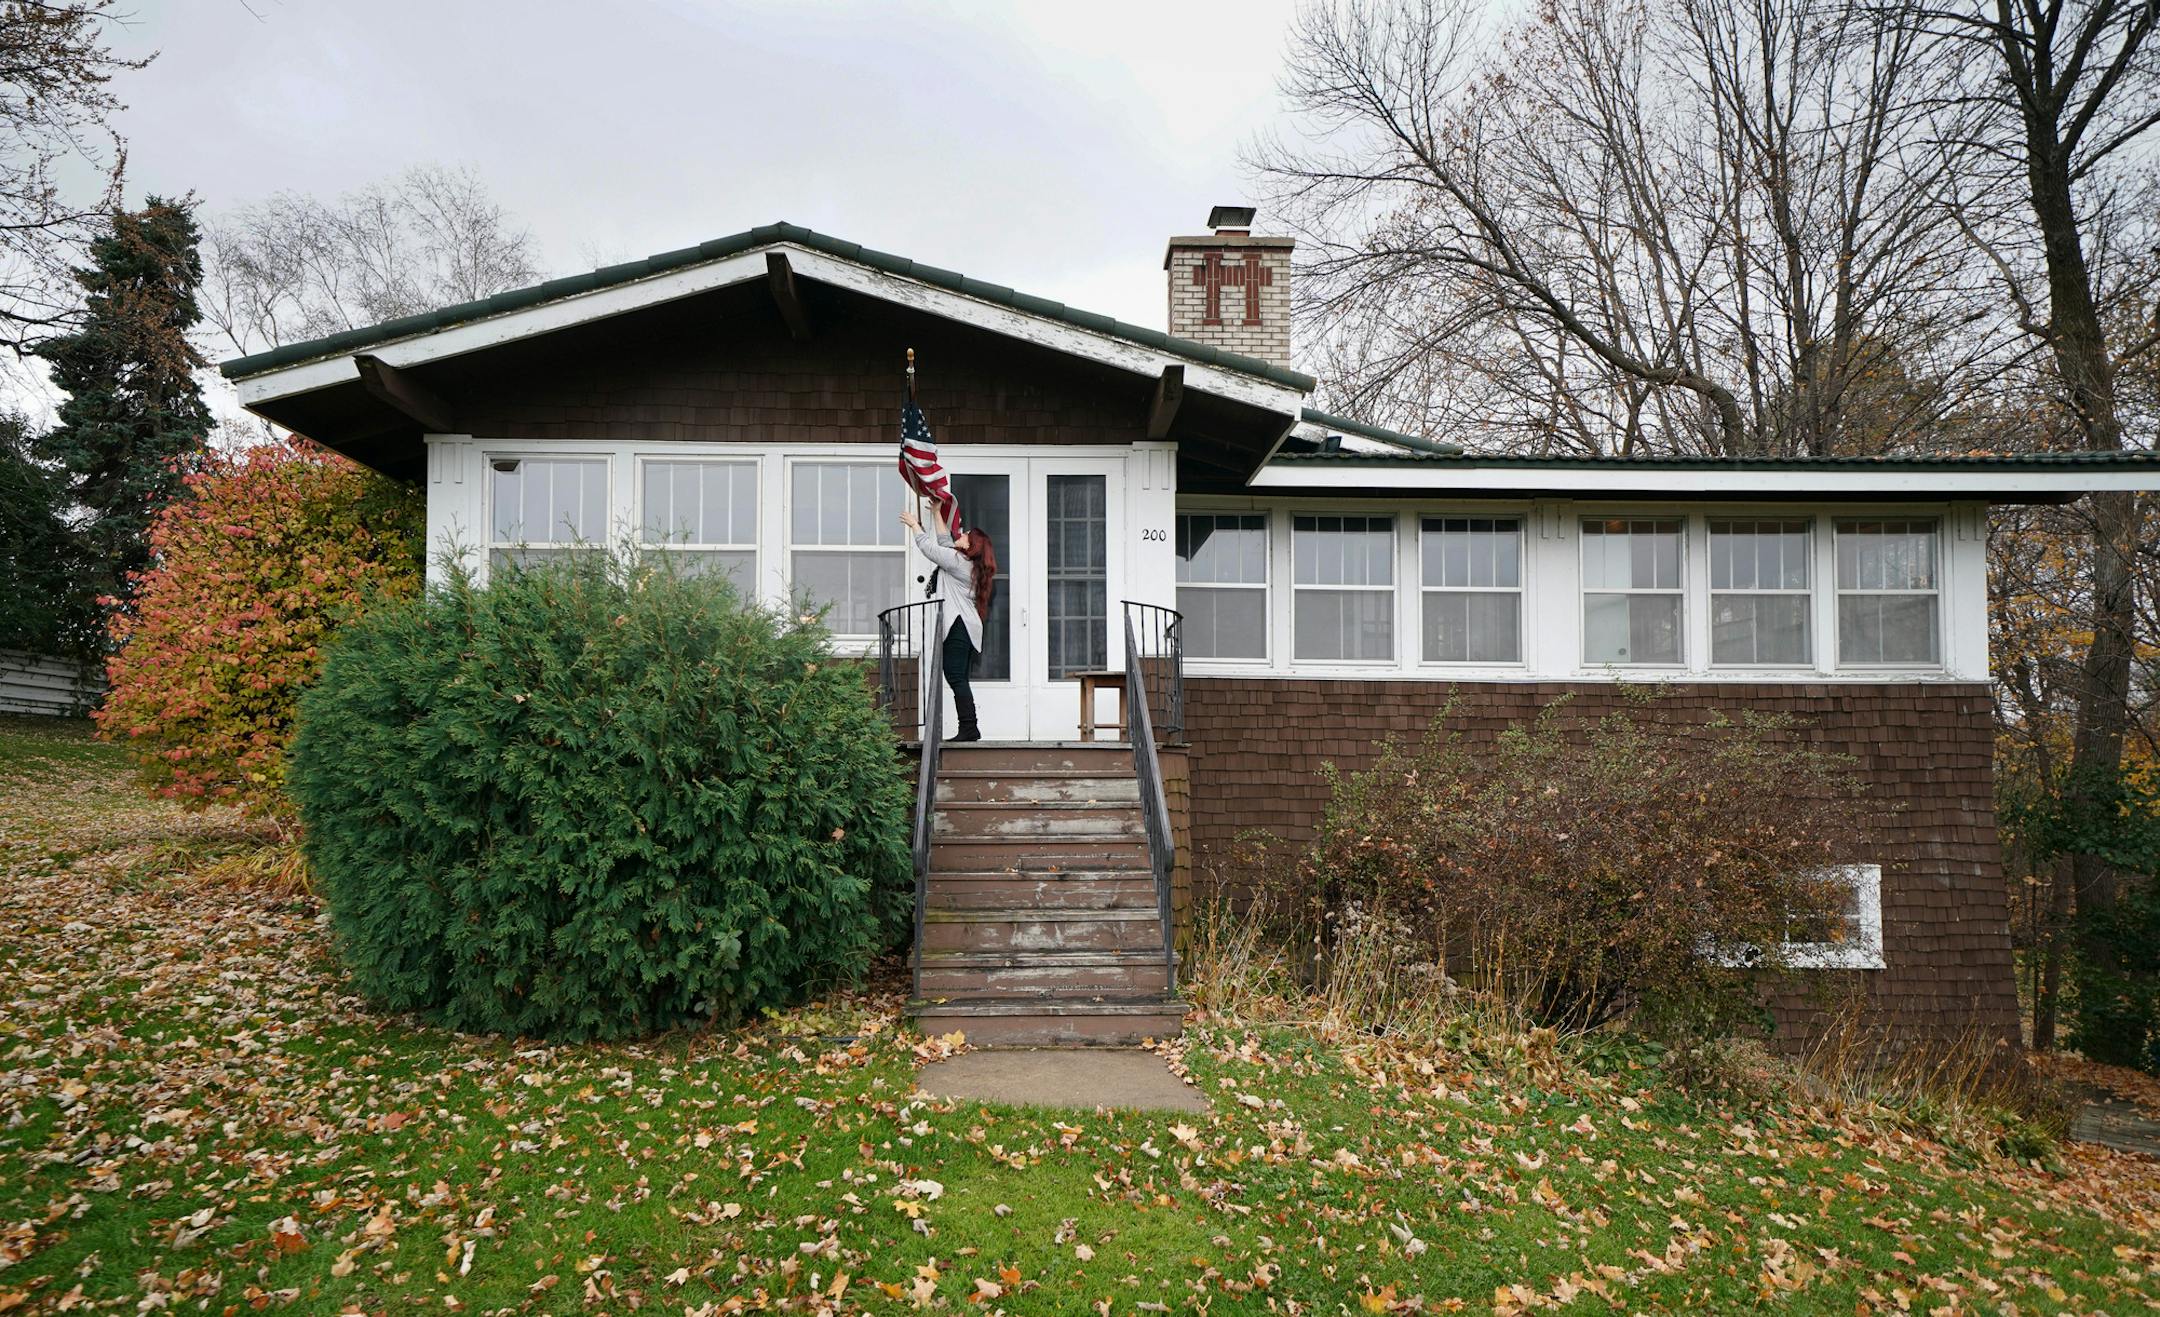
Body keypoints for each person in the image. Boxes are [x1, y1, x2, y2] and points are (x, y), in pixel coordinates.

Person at [900, 500, 998, 742]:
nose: (961, 534)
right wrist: (935, 513)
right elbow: (945, 543)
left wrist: (914, 525)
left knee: (954, 676)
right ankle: (969, 727)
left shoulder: (959, 563)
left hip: (958, 627)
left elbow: (930, 549)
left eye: (966, 535)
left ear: (972, 546)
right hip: (965, 626)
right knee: (958, 677)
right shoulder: (964, 563)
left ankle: (969, 727)